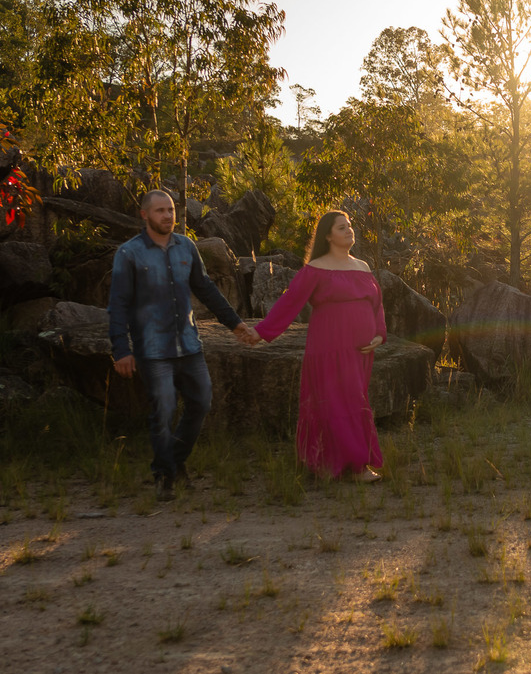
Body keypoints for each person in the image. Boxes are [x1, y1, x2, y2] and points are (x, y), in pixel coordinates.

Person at [108, 190, 259, 501]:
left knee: (201, 403)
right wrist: (121, 349)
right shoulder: (129, 253)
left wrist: (235, 323)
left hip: (189, 345)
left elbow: (206, 289)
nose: (167, 216)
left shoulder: (186, 247)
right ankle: (165, 475)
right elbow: (118, 304)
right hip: (152, 349)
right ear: (145, 215)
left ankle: (173, 460)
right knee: (162, 410)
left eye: (171, 210)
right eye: (160, 211)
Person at [250, 210, 386, 481]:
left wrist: (379, 335)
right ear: (327, 235)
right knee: (333, 403)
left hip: (360, 350)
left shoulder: (363, 267)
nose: (349, 230)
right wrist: (261, 332)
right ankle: (347, 466)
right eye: (341, 227)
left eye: (349, 226)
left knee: (355, 402)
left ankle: (342, 463)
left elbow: (377, 305)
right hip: (328, 346)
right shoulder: (315, 269)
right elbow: (289, 304)